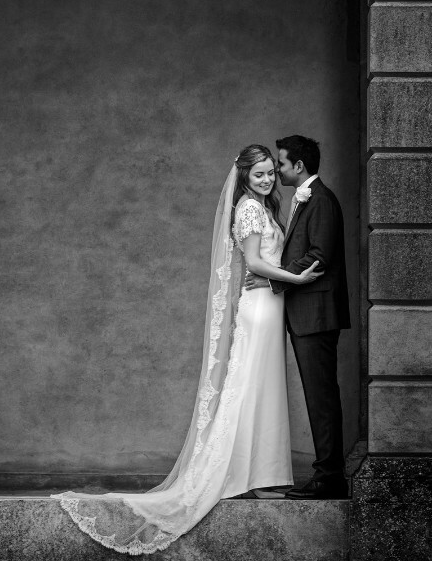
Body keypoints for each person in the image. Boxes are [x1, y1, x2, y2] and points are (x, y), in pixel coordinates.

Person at [53, 144, 324, 554]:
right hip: (262, 307)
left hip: (271, 304)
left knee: (261, 388)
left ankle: (258, 474)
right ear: (245, 179)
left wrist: (284, 280)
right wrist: (296, 279)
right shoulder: (249, 209)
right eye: (259, 175)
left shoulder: (266, 208)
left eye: (271, 172)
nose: (268, 180)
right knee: (250, 386)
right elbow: (253, 262)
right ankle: (244, 475)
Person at [246, 135, 350, 499]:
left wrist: (272, 282)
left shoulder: (320, 200)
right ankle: (328, 473)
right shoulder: (307, 199)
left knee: (321, 396)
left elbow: (320, 255)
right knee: (318, 395)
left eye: (282, 164)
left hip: (317, 315)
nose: (278, 169)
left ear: (299, 167)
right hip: (307, 314)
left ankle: (328, 478)